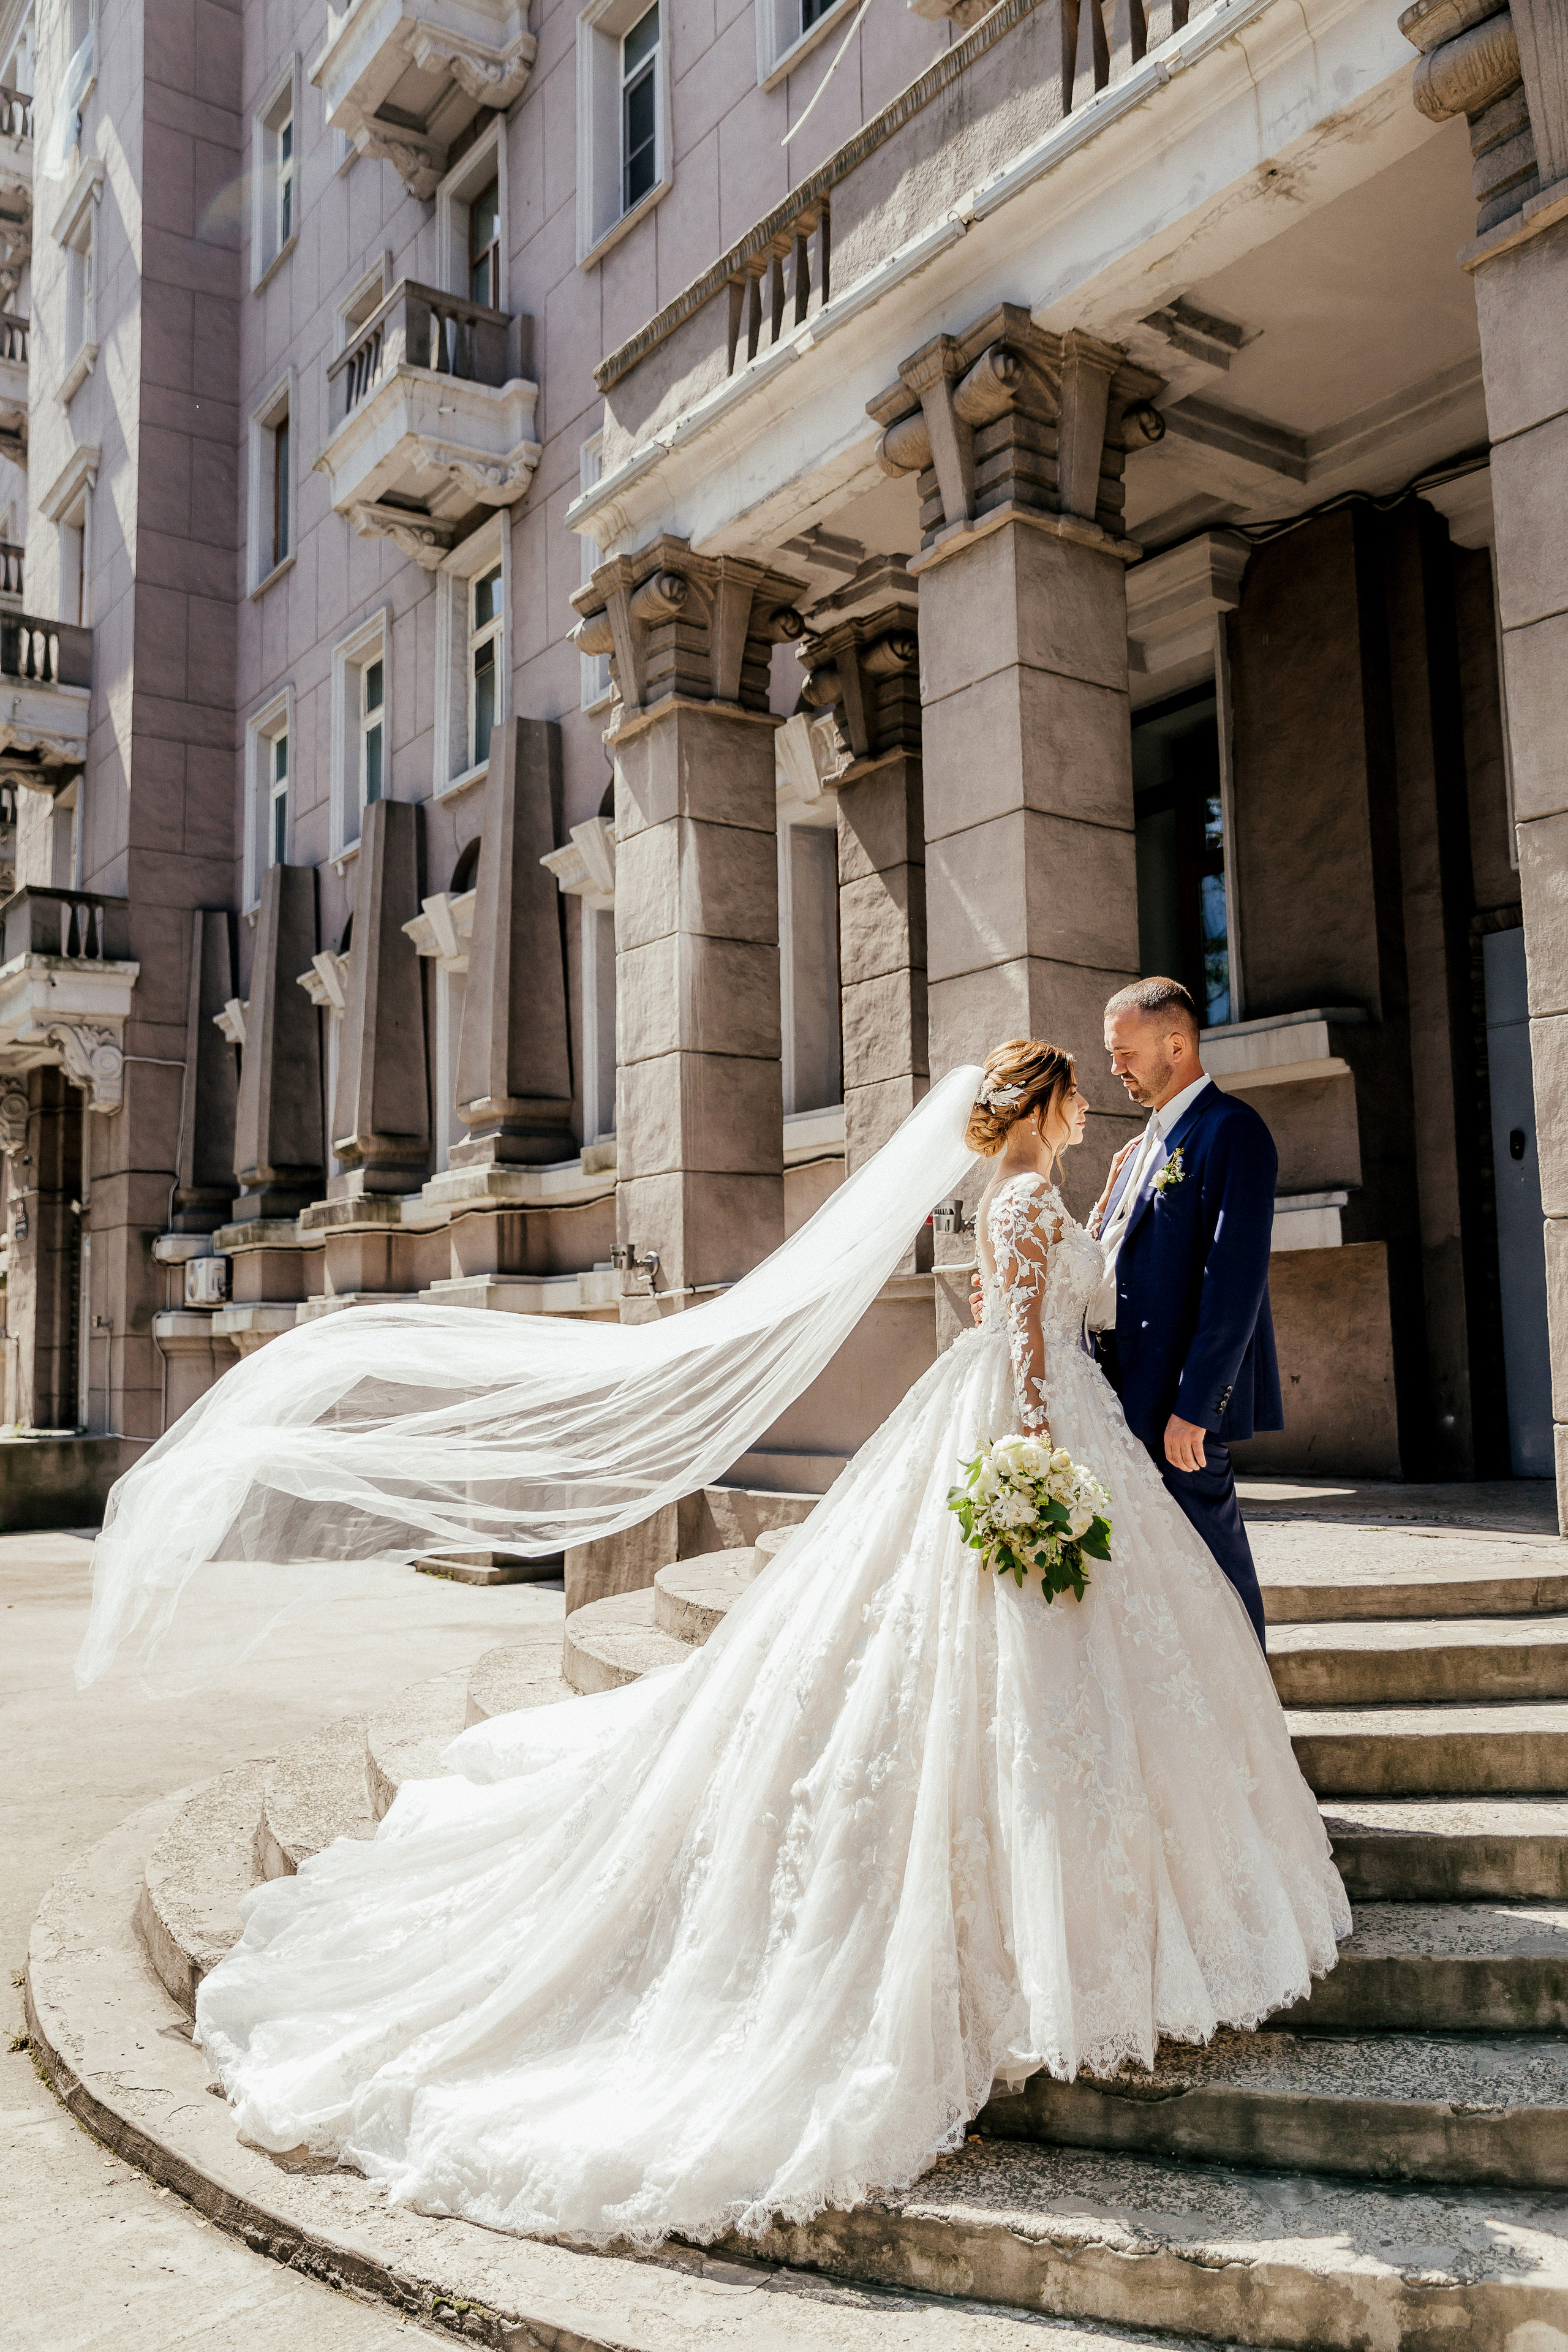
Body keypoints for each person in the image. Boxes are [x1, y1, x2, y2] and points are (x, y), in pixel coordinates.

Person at [190, 1040, 1346, 2252]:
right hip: (1035, 1431)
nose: (1081, 1113)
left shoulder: (1042, 1193)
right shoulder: (1020, 1200)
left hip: (1046, 1419)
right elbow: (1020, 1348)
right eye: (1070, 1097)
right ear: (1039, 1105)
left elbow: (1022, 1309)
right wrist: (1035, 1461)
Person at [971, 979, 1280, 1648]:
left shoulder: (1231, 1131)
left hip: (1176, 1403)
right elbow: (1102, 1263)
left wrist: (1197, 1406)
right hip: (1107, 1397)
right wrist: (1011, 1292)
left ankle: (1249, 1706)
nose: (1113, 1069)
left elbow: (1235, 1280)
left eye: (1124, 1052)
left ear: (1176, 1043)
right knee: (1157, 1580)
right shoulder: (1138, 1149)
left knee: (1211, 1566)